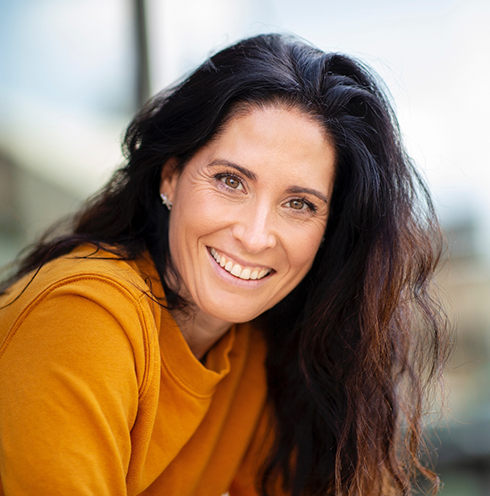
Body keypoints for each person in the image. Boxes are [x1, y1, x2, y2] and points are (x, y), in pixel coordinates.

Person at [0, 33, 451, 496]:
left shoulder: (258, 352)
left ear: (329, 231)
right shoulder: (82, 317)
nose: (255, 237)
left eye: (299, 204)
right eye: (230, 181)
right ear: (170, 177)